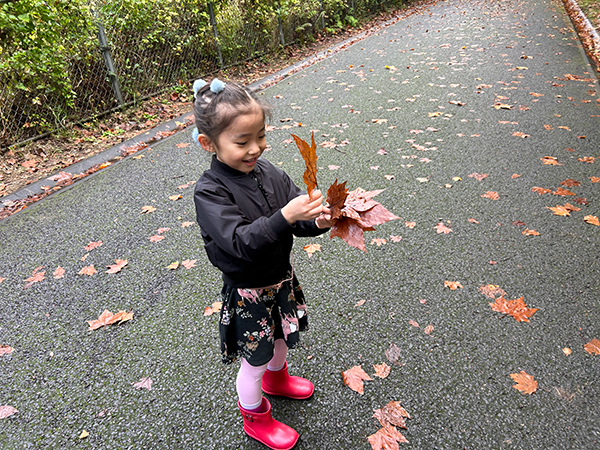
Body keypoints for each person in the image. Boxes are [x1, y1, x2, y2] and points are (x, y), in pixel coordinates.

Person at [192, 78, 333, 450]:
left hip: (280, 279)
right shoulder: (210, 191)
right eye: (242, 142)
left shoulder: (269, 172)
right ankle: (255, 416)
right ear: (209, 144)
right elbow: (239, 242)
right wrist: (284, 216)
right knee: (254, 359)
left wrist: (316, 221)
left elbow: (295, 217)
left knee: (282, 338)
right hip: (248, 291)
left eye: (261, 135)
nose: (255, 148)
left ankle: (278, 378)